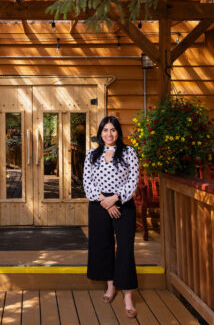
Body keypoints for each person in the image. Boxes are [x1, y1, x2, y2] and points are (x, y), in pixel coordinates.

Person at [83, 115, 140, 318]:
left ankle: (128, 296)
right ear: (100, 133)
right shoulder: (91, 154)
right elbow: (87, 182)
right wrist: (105, 202)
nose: (109, 134)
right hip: (99, 204)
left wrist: (115, 199)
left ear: (118, 132)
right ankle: (110, 287)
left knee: (125, 248)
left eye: (113, 130)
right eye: (105, 130)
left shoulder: (128, 152)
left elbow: (133, 181)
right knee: (104, 245)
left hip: (123, 204)